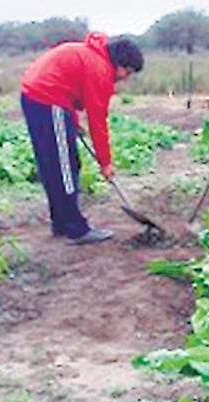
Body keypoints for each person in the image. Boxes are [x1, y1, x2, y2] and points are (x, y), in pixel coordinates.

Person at [20, 33, 143, 244]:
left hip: (35, 98)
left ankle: (61, 223)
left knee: (54, 166)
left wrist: (72, 121)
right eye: (128, 72)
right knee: (66, 167)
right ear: (119, 64)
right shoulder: (100, 70)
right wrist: (106, 163)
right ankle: (76, 229)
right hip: (49, 100)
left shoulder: (91, 56)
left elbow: (69, 86)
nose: (126, 78)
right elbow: (97, 120)